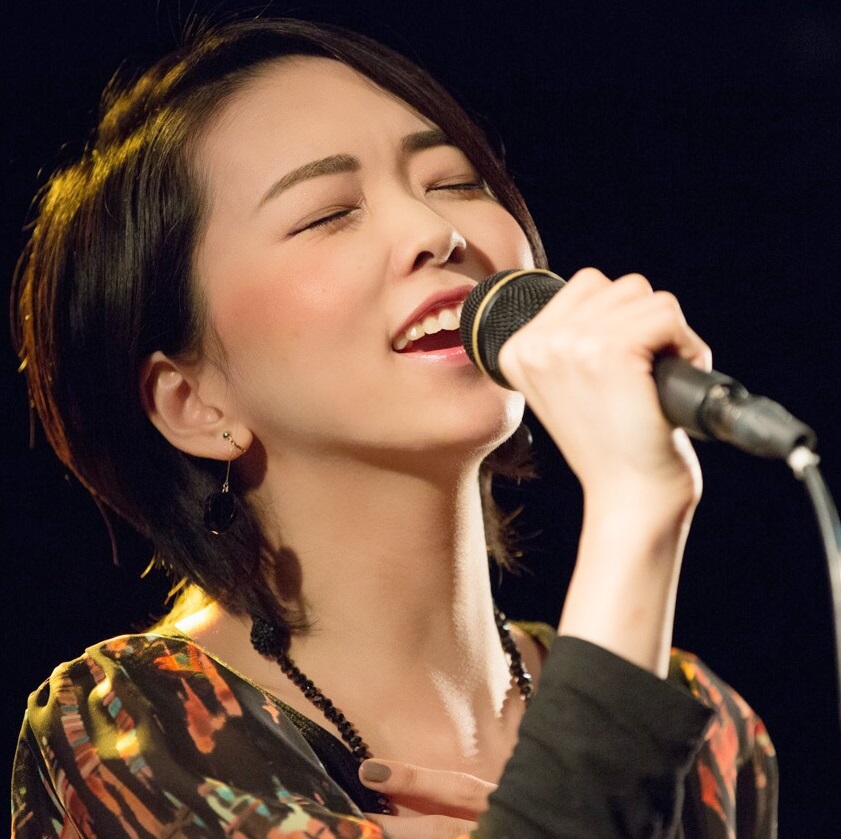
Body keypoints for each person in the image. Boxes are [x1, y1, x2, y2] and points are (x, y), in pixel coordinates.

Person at [10, 17, 777, 838]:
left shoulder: (704, 734)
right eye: (328, 213)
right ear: (193, 402)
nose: (434, 232)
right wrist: (634, 505)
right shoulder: (136, 727)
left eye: (454, 181)